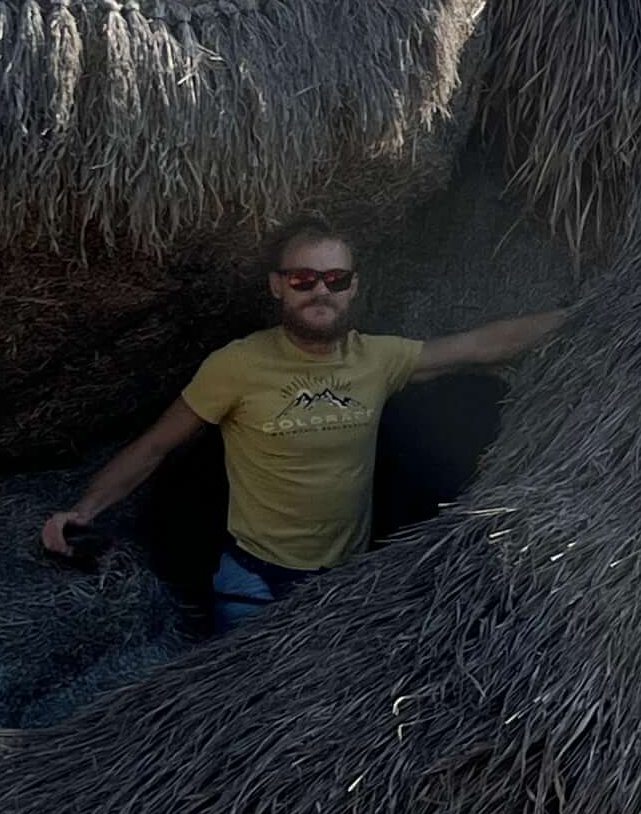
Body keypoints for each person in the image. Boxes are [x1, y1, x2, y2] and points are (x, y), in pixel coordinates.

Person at [41, 219, 564, 627]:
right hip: (254, 582)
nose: (320, 291)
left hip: (349, 577)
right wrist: (83, 510)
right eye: (303, 279)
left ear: (352, 287)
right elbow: (155, 446)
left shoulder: (377, 358)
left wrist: (584, 314)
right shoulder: (236, 366)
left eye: (334, 279)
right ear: (278, 286)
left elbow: (476, 348)